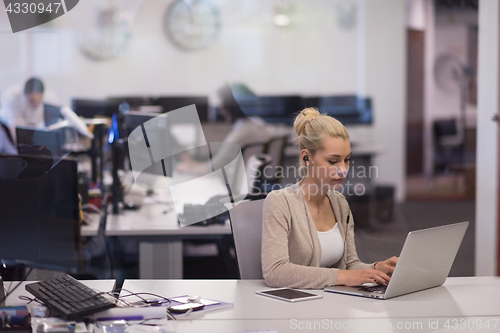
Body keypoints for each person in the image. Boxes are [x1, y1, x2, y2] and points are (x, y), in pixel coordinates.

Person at [261, 108, 398, 289]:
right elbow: (275, 272)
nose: (343, 169)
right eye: (333, 161)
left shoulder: (340, 203)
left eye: (347, 160)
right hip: (293, 310)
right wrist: (342, 276)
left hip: (332, 306)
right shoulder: (280, 202)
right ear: (306, 157)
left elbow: (350, 266)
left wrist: (376, 268)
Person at [176, 83, 271, 175]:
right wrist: (194, 164)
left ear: (232, 106)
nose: (221, 111)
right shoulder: (258, 125)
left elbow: (212, 170)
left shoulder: (242, 132)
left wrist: (190, 167)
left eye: (223, 105)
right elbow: (217, 164)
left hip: (232, 184)